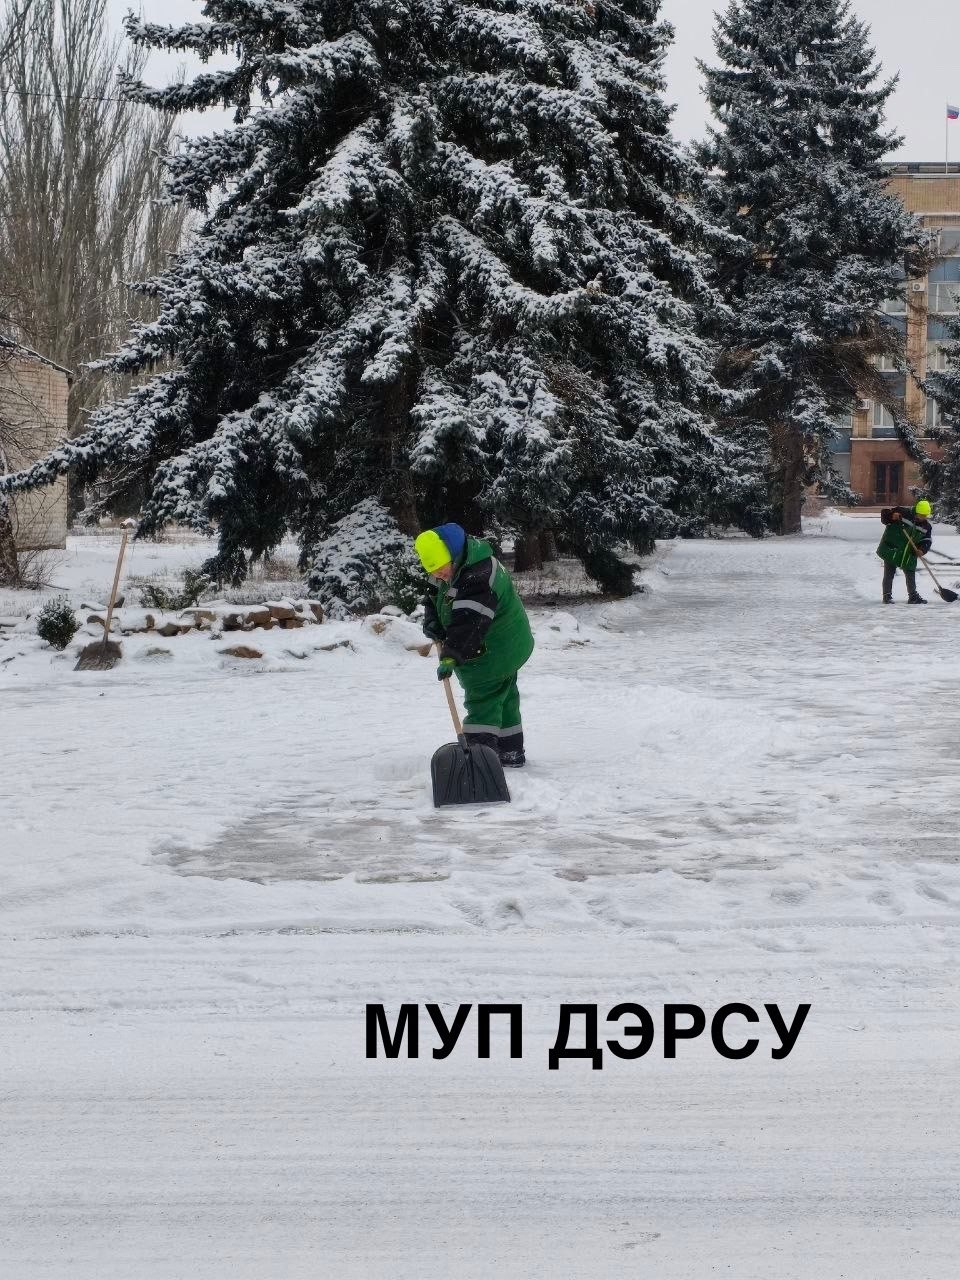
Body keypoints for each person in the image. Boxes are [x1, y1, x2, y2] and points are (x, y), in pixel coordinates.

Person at [415, 523, 534, 767]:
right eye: (433, 571)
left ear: (453, 556)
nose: (439, 575)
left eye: (441, 570)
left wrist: (451, 655)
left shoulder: (479, 575)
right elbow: (433, 594)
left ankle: (479, 763)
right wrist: (432, 620)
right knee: (504, 696)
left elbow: (469, 623)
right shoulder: (453, 563)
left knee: (483, 698)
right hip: (508, 644)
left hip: (495, 649)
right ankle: (510, 751)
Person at [877, 499, 933, 604]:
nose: (924, 517)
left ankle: (913, 596)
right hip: (893, 549)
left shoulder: (926, 526)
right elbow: (884, 515)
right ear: (916, 512)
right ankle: (887, 596)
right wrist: (891, 516)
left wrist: (922, 549)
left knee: (910, 573)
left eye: (926, 516)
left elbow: (927, 540)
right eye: (922, 515)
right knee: (889, 573)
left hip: (909, 553)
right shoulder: (903, 513)